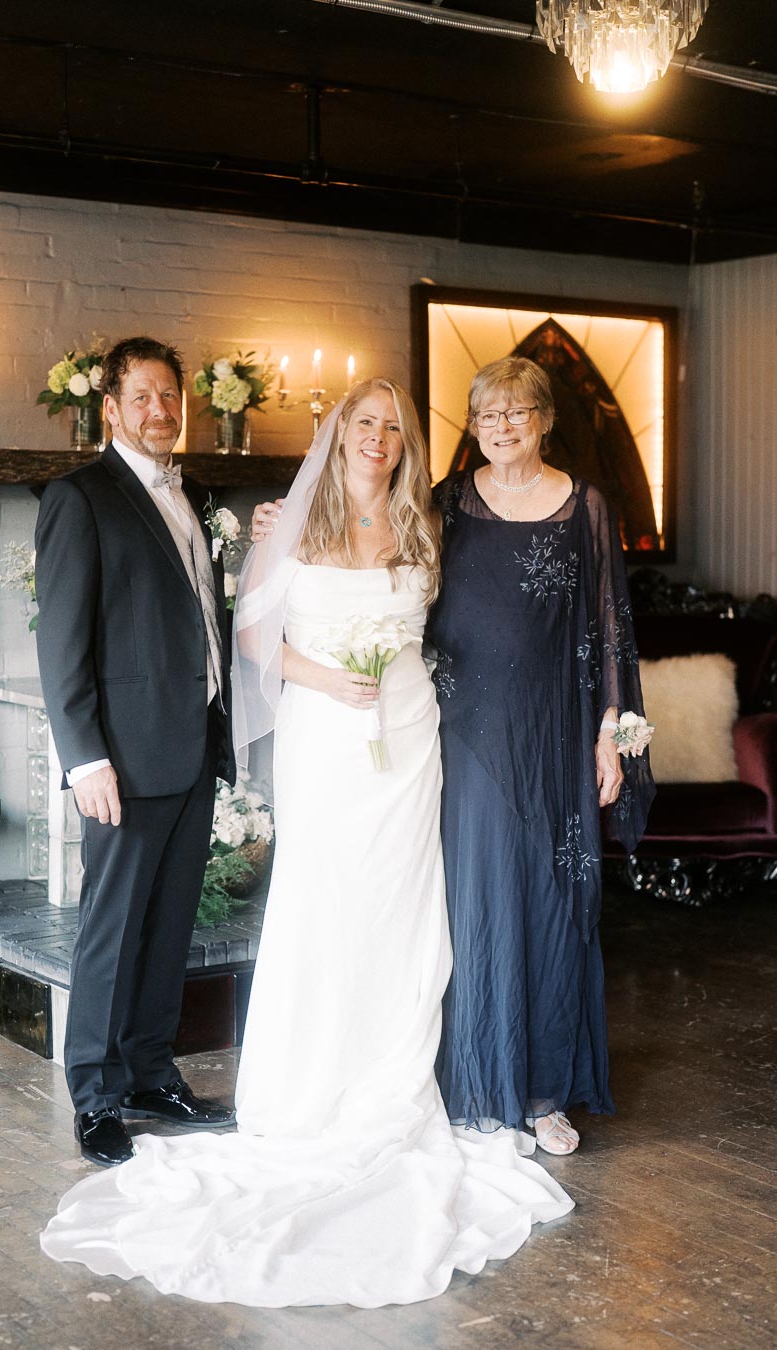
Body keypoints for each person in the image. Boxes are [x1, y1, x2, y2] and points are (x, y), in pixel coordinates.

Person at [41, 378, 572, 1307]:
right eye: (364, 422)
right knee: (323, 904)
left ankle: (390, 1077)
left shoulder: (426, 525)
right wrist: (328, 679)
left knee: (403, 908)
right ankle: (290, 1081)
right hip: (327, 740)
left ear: (407, 443)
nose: (378, 437)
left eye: (393, 427)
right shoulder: (290, 522)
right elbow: (251, 639)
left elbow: (465, 615)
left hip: (410, 740)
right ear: (339, 432)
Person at [251, 357, 654, 1158]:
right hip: (461, 736)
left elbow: (610, 622)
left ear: (544, 421)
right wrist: (281, 522)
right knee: (468, 909)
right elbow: (369, 550)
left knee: (554, 903)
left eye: (518, 413)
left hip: (554, 732)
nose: (503, 428)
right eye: (488, 415)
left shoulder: (585, 504)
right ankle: (474, 1082)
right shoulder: (446, 506)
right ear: (473, 427)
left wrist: (611, 728)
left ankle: (544, 1092)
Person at [34, 336, 235, 1170]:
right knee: (113, 930)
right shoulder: (80, 497)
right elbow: (62, 642)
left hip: (193, 746)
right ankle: (95, 1094)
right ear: (111, 408)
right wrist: (85, 759)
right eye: (144, 397)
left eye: (170, 396)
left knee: (170, 926)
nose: (161, 411)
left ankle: (152, 1074)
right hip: (123, 757)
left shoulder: (196, 496)